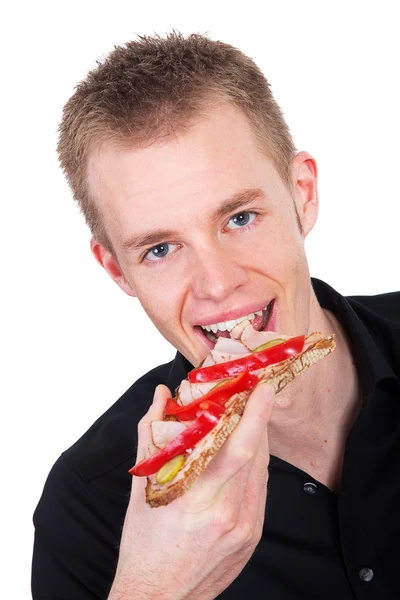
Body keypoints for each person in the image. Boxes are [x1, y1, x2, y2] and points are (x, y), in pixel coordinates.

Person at [31, 32, 400, 600]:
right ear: (117, 271)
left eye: (241, 218)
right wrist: (156, 587)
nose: (219, 283)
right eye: (160, 249)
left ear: (301, 194)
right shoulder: (87, 507)